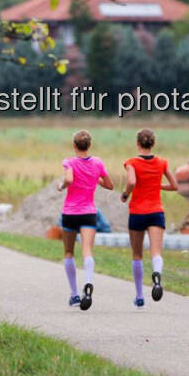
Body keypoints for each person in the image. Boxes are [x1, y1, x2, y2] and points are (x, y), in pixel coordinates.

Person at [121, 128, 178, 307]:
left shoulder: (131, 162)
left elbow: (131, 182)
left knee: (137, 254)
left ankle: (139, 297)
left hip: (137, 212)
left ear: (138, 144)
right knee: (156, 252)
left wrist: (125, 194)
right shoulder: (162, 162)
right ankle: (157, 275)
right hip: (156, 211)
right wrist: (157, 186)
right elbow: (175, 185)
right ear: (153, 144)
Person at [57, 129, 113, 310]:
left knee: (68, 252)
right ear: (89, 146)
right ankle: (88, 283)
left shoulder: (69, 162)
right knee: (87, 250)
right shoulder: (97, 163)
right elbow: (110, 185)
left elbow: (69, 179)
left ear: (74, 146)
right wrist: (95, 179)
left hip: (70, 213)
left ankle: (74, 295)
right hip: (89, 212)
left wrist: (61, 185)